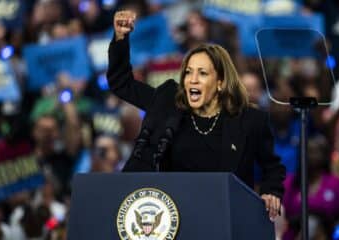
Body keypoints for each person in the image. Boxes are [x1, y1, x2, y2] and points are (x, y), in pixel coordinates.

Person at [107, 10, 286, 220]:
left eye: (202, 73)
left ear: (220, 82)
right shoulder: (168, 104)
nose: (192, 80)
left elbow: (272, 167)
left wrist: (270, 191)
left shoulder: (250, 120)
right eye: (188, 72)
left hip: (226, 217)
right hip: (175, 217)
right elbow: (122, 84)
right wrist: (121, 38)